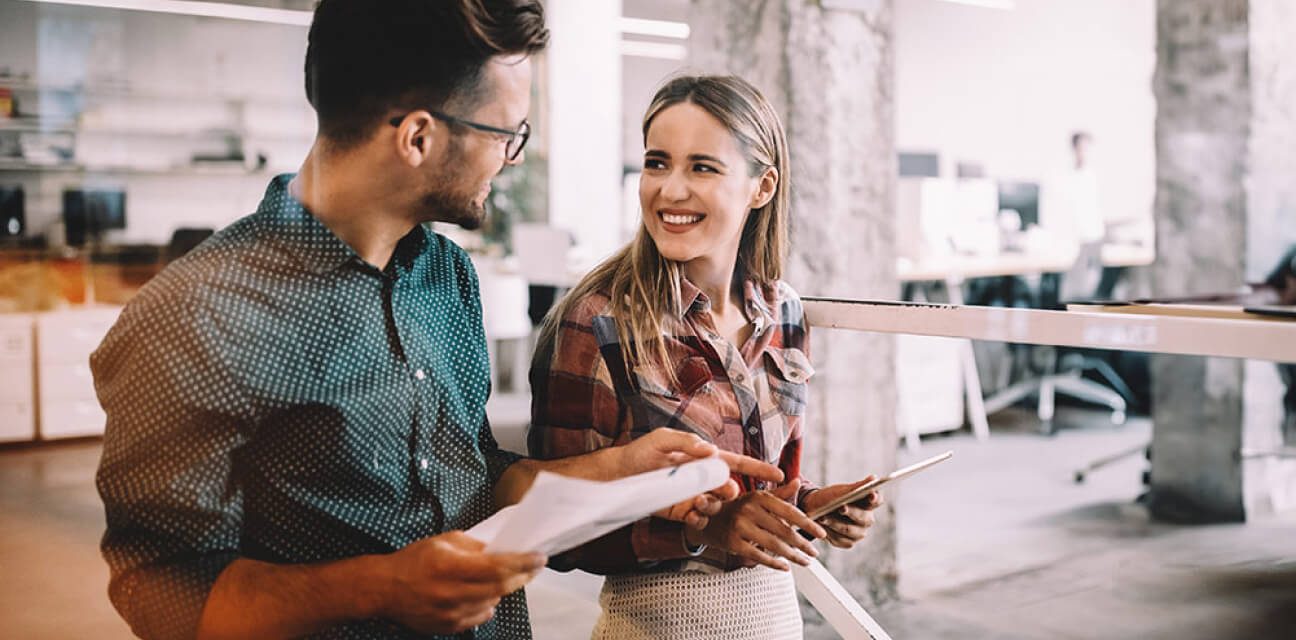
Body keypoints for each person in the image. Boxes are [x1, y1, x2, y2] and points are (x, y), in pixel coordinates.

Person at [91, 4, 782, 639]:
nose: (512, 160)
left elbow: (477, 483)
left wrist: (618, 470)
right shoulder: (192, 317)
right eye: (508, 134)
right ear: (418, 137)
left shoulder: (445, 278)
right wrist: (383, 587)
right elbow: (162, 590)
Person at [527, 75, 885, 640]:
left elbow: (764, 484)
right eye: (656, 163)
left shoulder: (783, 311)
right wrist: (704, 530)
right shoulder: (599, 319)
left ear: (761, 186)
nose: (670, 190)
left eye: (702, 167)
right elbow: (553, 529)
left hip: (773, 622)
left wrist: (811, 503)